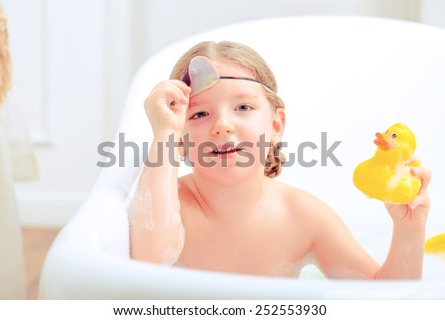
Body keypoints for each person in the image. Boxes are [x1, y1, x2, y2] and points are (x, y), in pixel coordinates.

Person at [128, 41, 431, 279]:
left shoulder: (304, 217)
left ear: (275, 126)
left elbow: (383, 303)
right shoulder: (170, 208)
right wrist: (164, 131)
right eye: (199, 114)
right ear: (180, 137)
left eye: (243, 107)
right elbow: (148, 260)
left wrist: (409, 228)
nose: (222, 124)